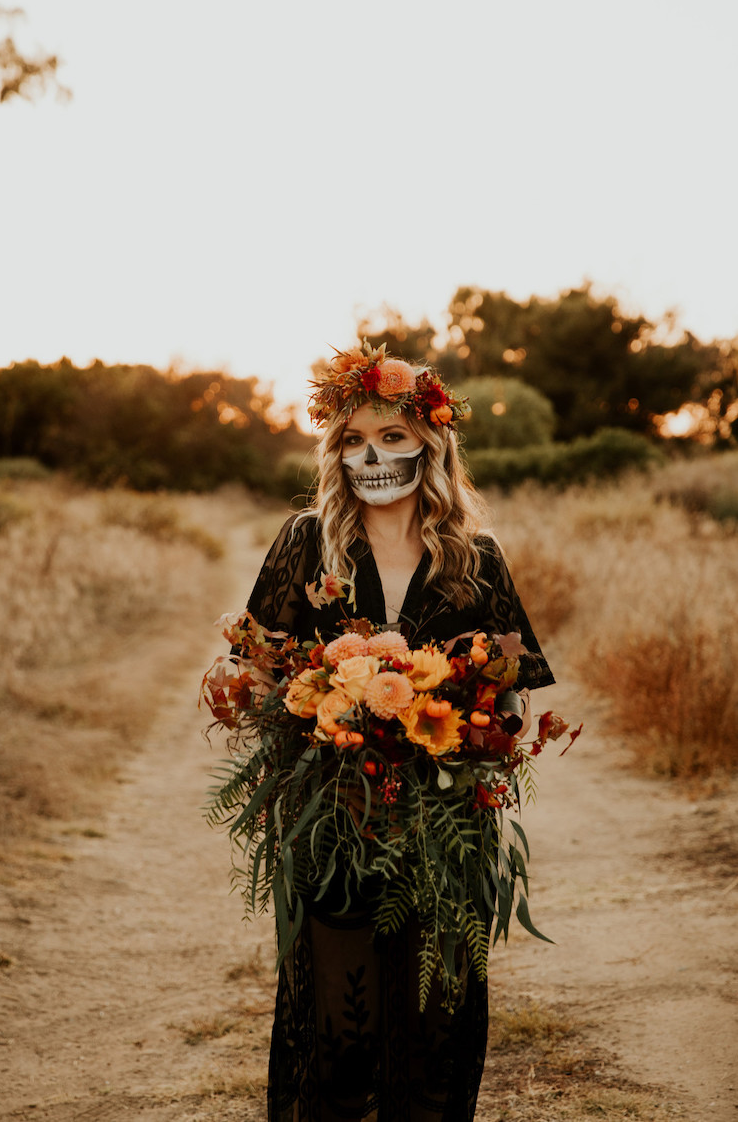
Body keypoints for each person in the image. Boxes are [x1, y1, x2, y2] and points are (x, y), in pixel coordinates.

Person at [242, 342, 555, 1121]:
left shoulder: (475, 559)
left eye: (391, 437)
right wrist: (309, 703)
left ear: (431, 444)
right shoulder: (304, 544)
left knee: (434, 1020)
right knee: (341, 1027)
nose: (371, 456)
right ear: (333, 451)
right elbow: (252, 671)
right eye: (352, 440)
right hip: (332, 818)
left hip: (445, 824)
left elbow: (513, 696)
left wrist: (469, 720)